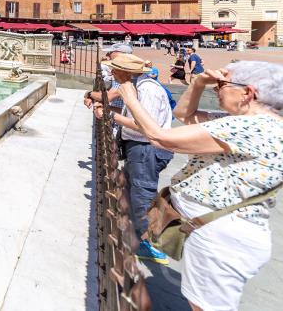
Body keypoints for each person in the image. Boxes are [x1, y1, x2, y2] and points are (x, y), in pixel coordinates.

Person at [115, 61, 283, 311]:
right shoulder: (245, 121)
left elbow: (161, 137)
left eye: (221, 87)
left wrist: (130, 98)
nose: (217, 92)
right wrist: (198, 83)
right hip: (217, 233)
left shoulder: (249, 126)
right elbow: (184, 115)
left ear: (247, 93)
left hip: (222, 238)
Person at [92, 54, 174, 264]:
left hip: (147, 149)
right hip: (139, 149)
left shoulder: (147, 90)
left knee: (142, 195)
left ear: (127, 72)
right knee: (133, 191)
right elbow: (135, 117)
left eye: (115, 69)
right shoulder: (136, 87)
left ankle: (151, 245)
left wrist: (111, 116)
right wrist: (111, 111)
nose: (111, 73)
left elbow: (145, 127)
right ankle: (135, 234)